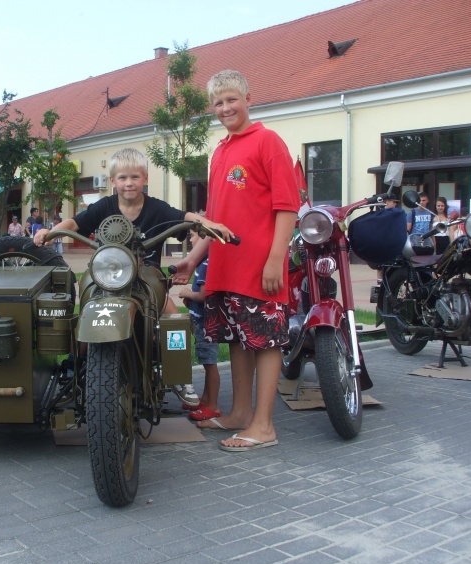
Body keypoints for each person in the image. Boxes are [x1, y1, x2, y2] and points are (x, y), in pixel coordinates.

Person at [34, 147, 230, 407]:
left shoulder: (156, 208)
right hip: (107, 278)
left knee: (173, 318)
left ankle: (179, 374)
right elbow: (75, 223)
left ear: (145, 179)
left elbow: (184, 217)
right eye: (123, 177)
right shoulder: (104, 206)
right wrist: (51, 232)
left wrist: (208, 224)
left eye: (135, 177)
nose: (129, 183)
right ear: (113, 181)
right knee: (86, 318)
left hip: (147, 278)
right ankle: (74, 366)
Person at [173, 70, 300, 451]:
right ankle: (241, 414)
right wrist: (193, 259)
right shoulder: (220, 151)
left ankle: (264, 425)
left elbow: (287, 206)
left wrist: (276, 258)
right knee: (238, 340)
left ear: (248, 99)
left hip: (259, 266)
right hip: (226, 267)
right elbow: (213, 217)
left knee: (265, 341)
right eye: (218, 103)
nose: (225, 108)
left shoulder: (268, 142)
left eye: (232, 100)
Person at [178, 230, 221, 421]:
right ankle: (206, 399)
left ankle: (212, 406)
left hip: (206, 324)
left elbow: (204, 295)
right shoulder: (205, 262)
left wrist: (187, 293)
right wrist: (191, 303)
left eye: (194, 235)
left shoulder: (205, 264)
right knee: (206, 362)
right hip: (203, 320)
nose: (191, 239)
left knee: (210, 364)